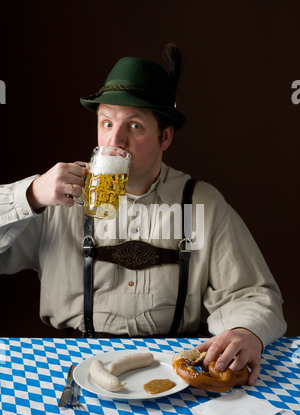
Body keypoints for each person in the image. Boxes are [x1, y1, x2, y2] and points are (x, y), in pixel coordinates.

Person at [0, 43, 286, 385]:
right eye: (106, 123)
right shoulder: (57, 191)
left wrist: (245, 329)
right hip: (70, 366)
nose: (115, 140)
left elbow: (254, 293)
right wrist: (29, 196)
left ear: (164, 137)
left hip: (175, 368)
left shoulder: (201, 202)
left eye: (134, 126)